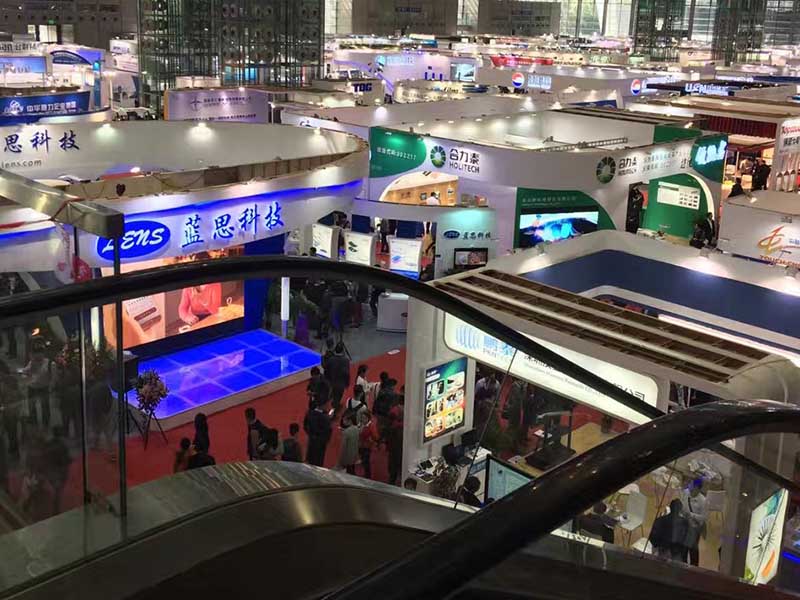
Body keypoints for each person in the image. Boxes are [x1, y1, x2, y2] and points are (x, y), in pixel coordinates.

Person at [680, 478, 708, 566]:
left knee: (693, 549)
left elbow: (703, 518)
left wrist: (691, 515)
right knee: (683, 548)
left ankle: (694, 568)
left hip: (694, 527)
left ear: (697, 488)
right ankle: (683, 566)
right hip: (684, 524)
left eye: (692, 485)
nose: (690, 487)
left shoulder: (703, 501)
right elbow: (682, 505)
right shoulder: (686, 492)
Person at [304, 397, 332, 467]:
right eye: (327, 404)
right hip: (320, 443)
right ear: (323, 405)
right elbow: (328, 431)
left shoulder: (309, 413)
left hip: (312, 440)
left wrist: (310, 434)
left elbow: (305, 426)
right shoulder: (325, 418)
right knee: (318, 461)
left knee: (310, 458)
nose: (328, 406)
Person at [326, 343, 351, 413]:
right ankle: (333, 411)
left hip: (332, 382)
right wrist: (347, 383)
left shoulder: (331, 359)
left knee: (334, 395)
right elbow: (347, 373)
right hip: (341, 383)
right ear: (342, 351)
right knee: (338, 396)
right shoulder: (346, 360)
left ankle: (334, 407)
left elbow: (327, 371)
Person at [386, 394, 404, 486]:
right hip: (401, 444)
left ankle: (392, 481)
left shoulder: (394, 411)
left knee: (393, 465)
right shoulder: (408, 411)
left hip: (394, 444)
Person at [358, 410, 380, 480]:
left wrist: (370, 439)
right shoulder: (360, 424)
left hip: (367, 447)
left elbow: (376, 437)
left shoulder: (371, 426)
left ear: (368, 418)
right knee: (363, 460)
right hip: (361, 445)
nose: (363, 419)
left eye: (364, 418)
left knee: (366, 462)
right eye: (362, 418)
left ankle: (368, 476)